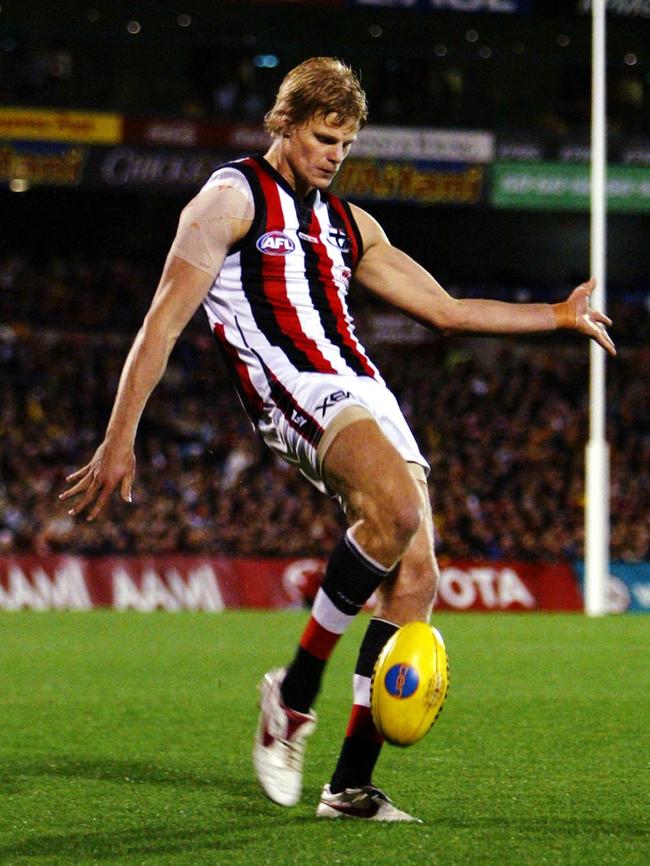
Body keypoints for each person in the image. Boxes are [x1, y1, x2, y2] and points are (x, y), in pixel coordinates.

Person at [60, 57, 616, 822]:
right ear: (283, 123)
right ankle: (291, 697)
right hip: (290, 386)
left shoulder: (351, 224)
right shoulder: (227, 201)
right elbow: (163, 320)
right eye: (325, 137)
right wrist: (121, 435)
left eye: (347, 145)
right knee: (395, 509)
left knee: (417, 577)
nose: (334, 155)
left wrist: (557, 316)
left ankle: (350, 785)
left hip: (364, 389)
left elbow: (445, 310)